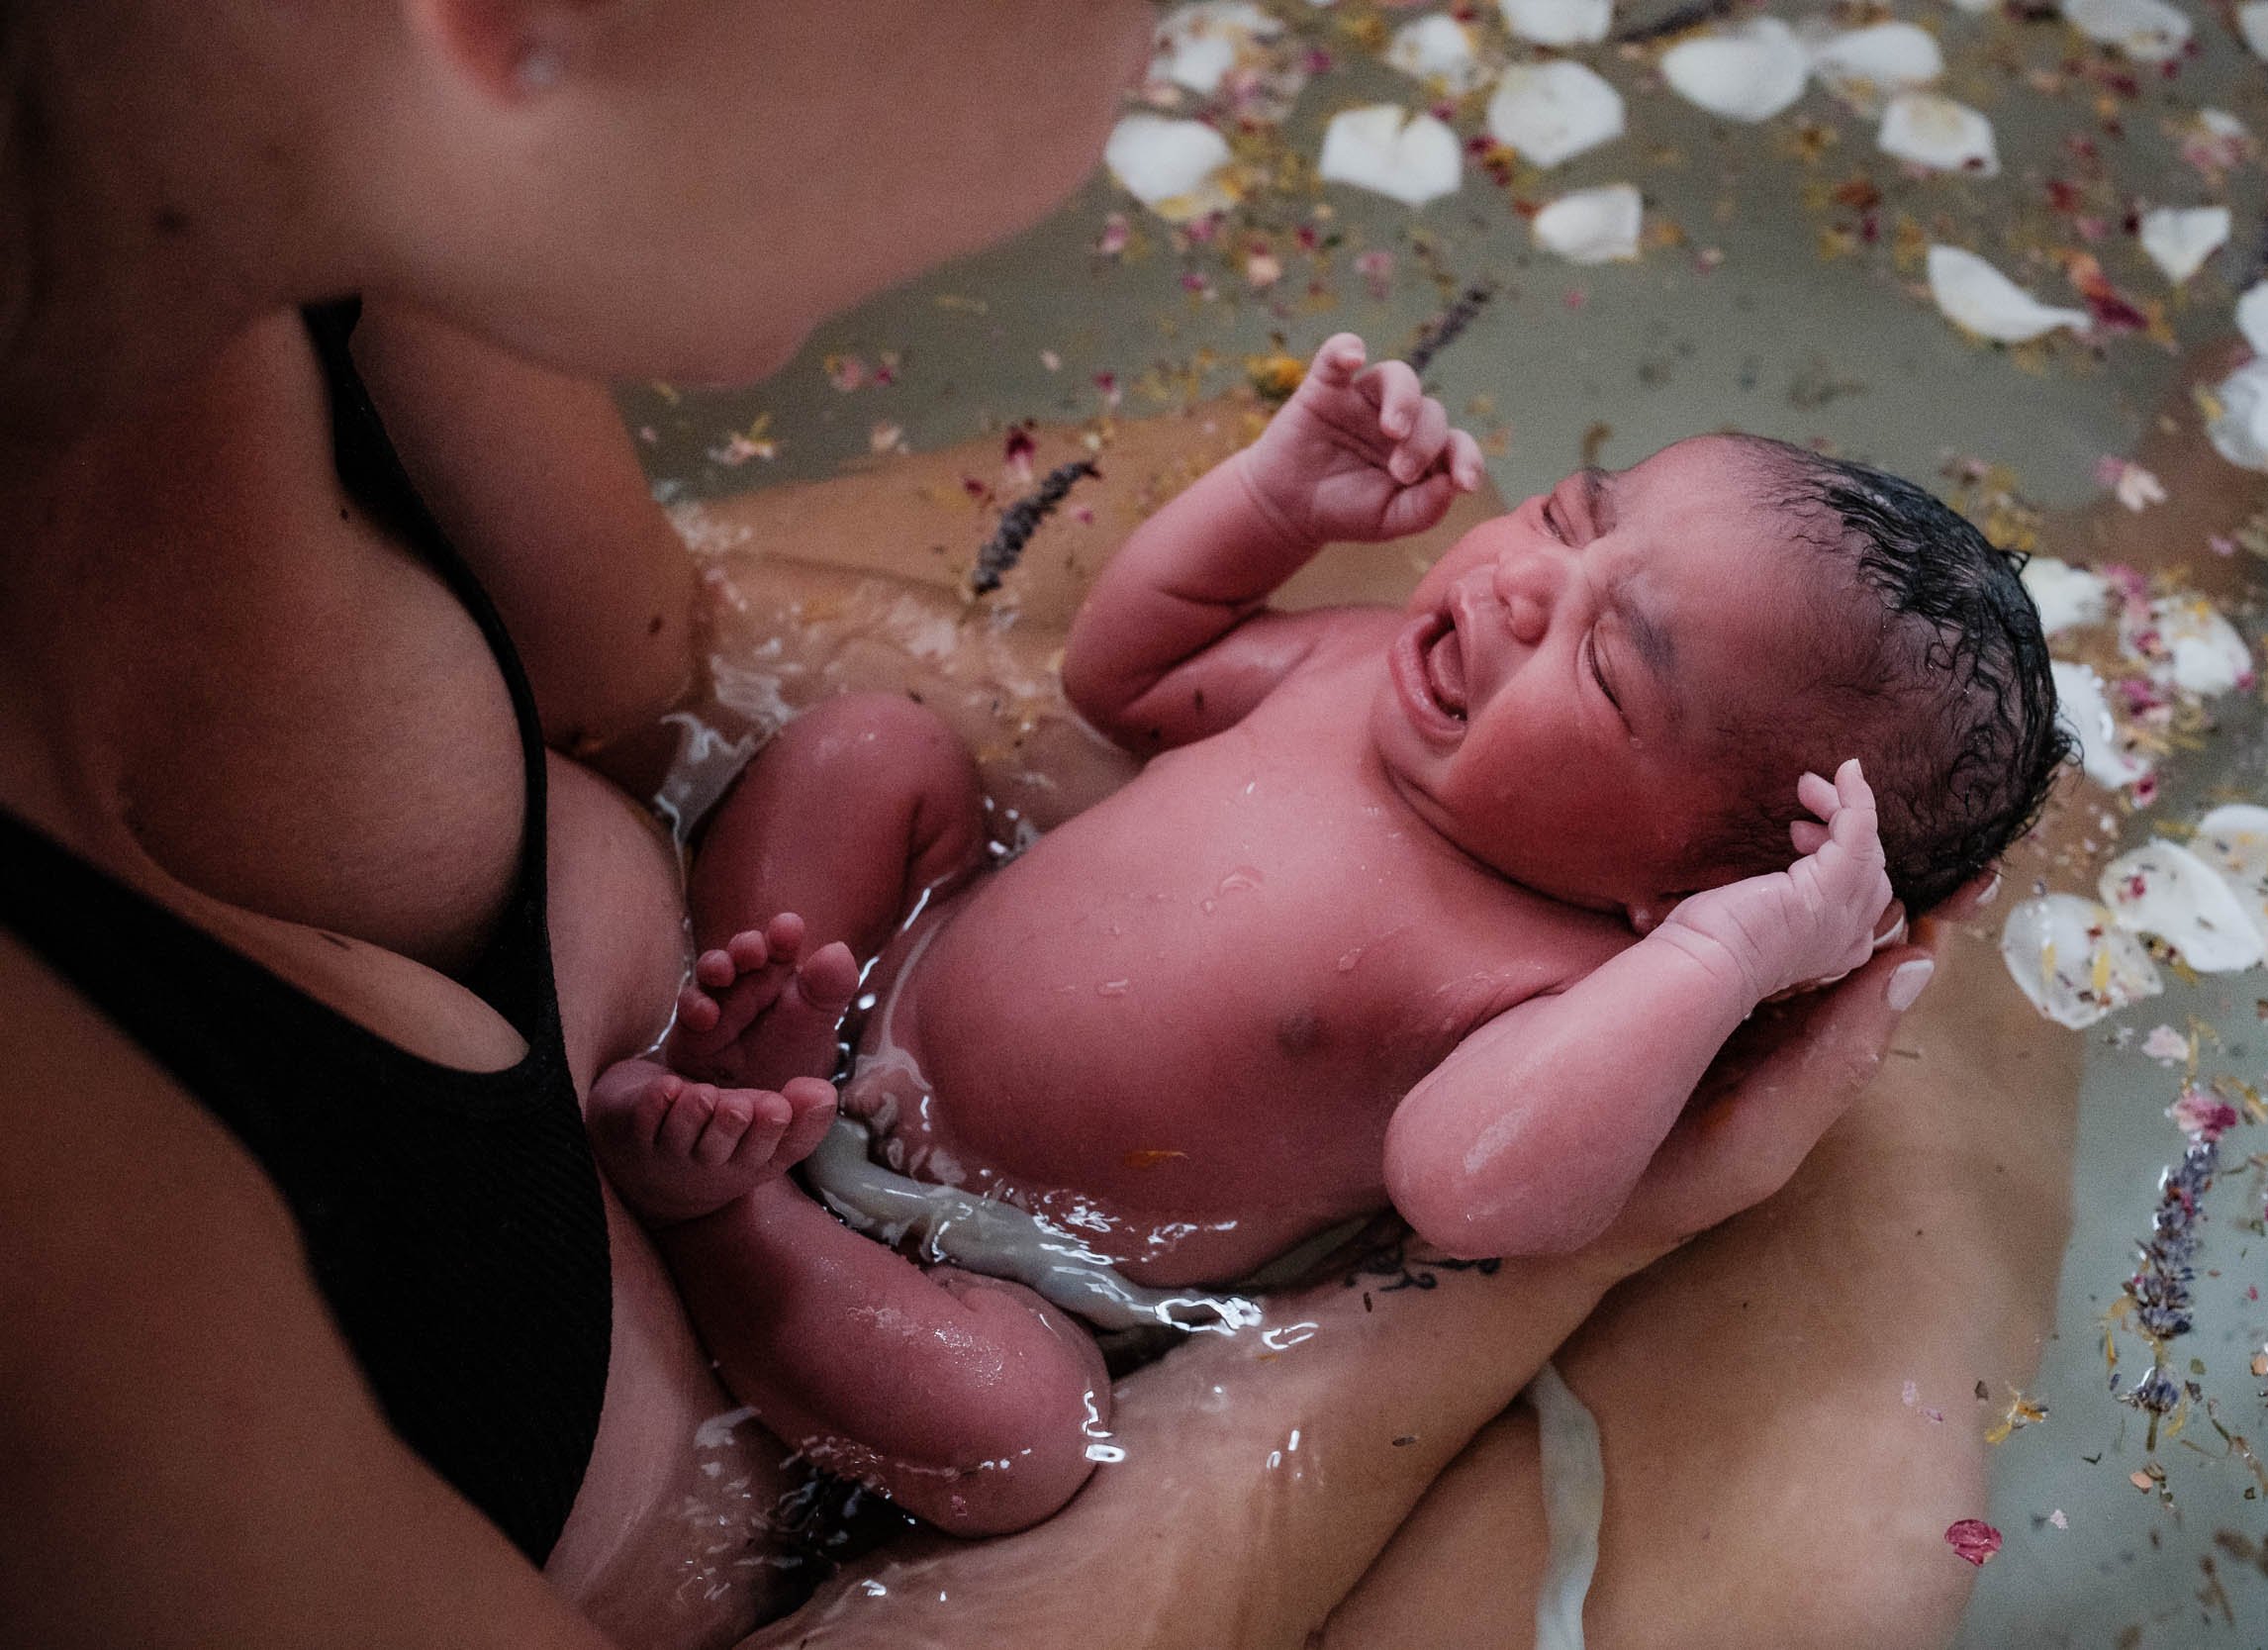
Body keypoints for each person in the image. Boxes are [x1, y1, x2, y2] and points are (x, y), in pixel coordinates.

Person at [0, 4, 1972, 1648]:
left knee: (886, 800)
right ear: (518, 28)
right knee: (1798, 1507)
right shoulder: (62, 1208)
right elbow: (1148, 683)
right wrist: (1545, 1278)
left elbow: (659, 662)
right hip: (779, 1380)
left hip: (949, 1203)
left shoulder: (312, 216)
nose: (1146, 54)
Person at [583, 334, 2066, 1537]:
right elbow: (1125, 683)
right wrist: (1275, 501)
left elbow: (1474, 1189)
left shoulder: (1574, 985)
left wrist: (1730, 960)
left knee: (1024, 1438)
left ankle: (739, 1222)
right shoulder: (1354, 667)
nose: (1520, 582)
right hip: (899, 971)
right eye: (1570, 515)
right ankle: (735, 1041)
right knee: (865, 755)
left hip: (1017, 1266)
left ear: (1682, 890)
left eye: (1606, 665)